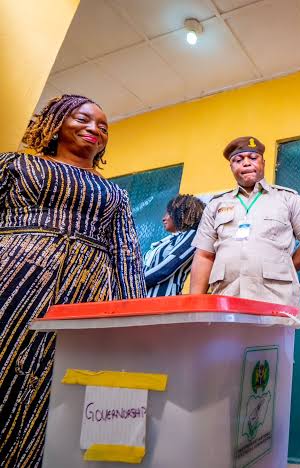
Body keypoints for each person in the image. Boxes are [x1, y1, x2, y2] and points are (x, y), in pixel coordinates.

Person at [0, 94, 145, 465]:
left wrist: (136, 321)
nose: (95, 128)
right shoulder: (14, 166)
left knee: (59, 384)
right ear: (56, 120)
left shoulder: (115, 193)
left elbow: (126, 256)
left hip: (87, 295)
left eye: (103, 126)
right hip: (13, 282)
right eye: (83, 118)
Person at [189, 136, 300, 307]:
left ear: (263, 162)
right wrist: (194, 304)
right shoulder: (216, 205)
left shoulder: (288, 199)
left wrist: (282, 268)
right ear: (231, 167)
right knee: (227, 335)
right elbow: (204, 255)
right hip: (225, 300)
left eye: (253, 158)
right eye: (238, 160)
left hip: (275, 299)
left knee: (272, 335)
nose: (246, 163)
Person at [144, 194, 205, 297]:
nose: (164, 218)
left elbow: (167, 267)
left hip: (164, 303)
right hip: (141, 302)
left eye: (169, 213)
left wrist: (134, 283)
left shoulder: (191, 236)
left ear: (182, 214)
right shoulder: (165, 241)